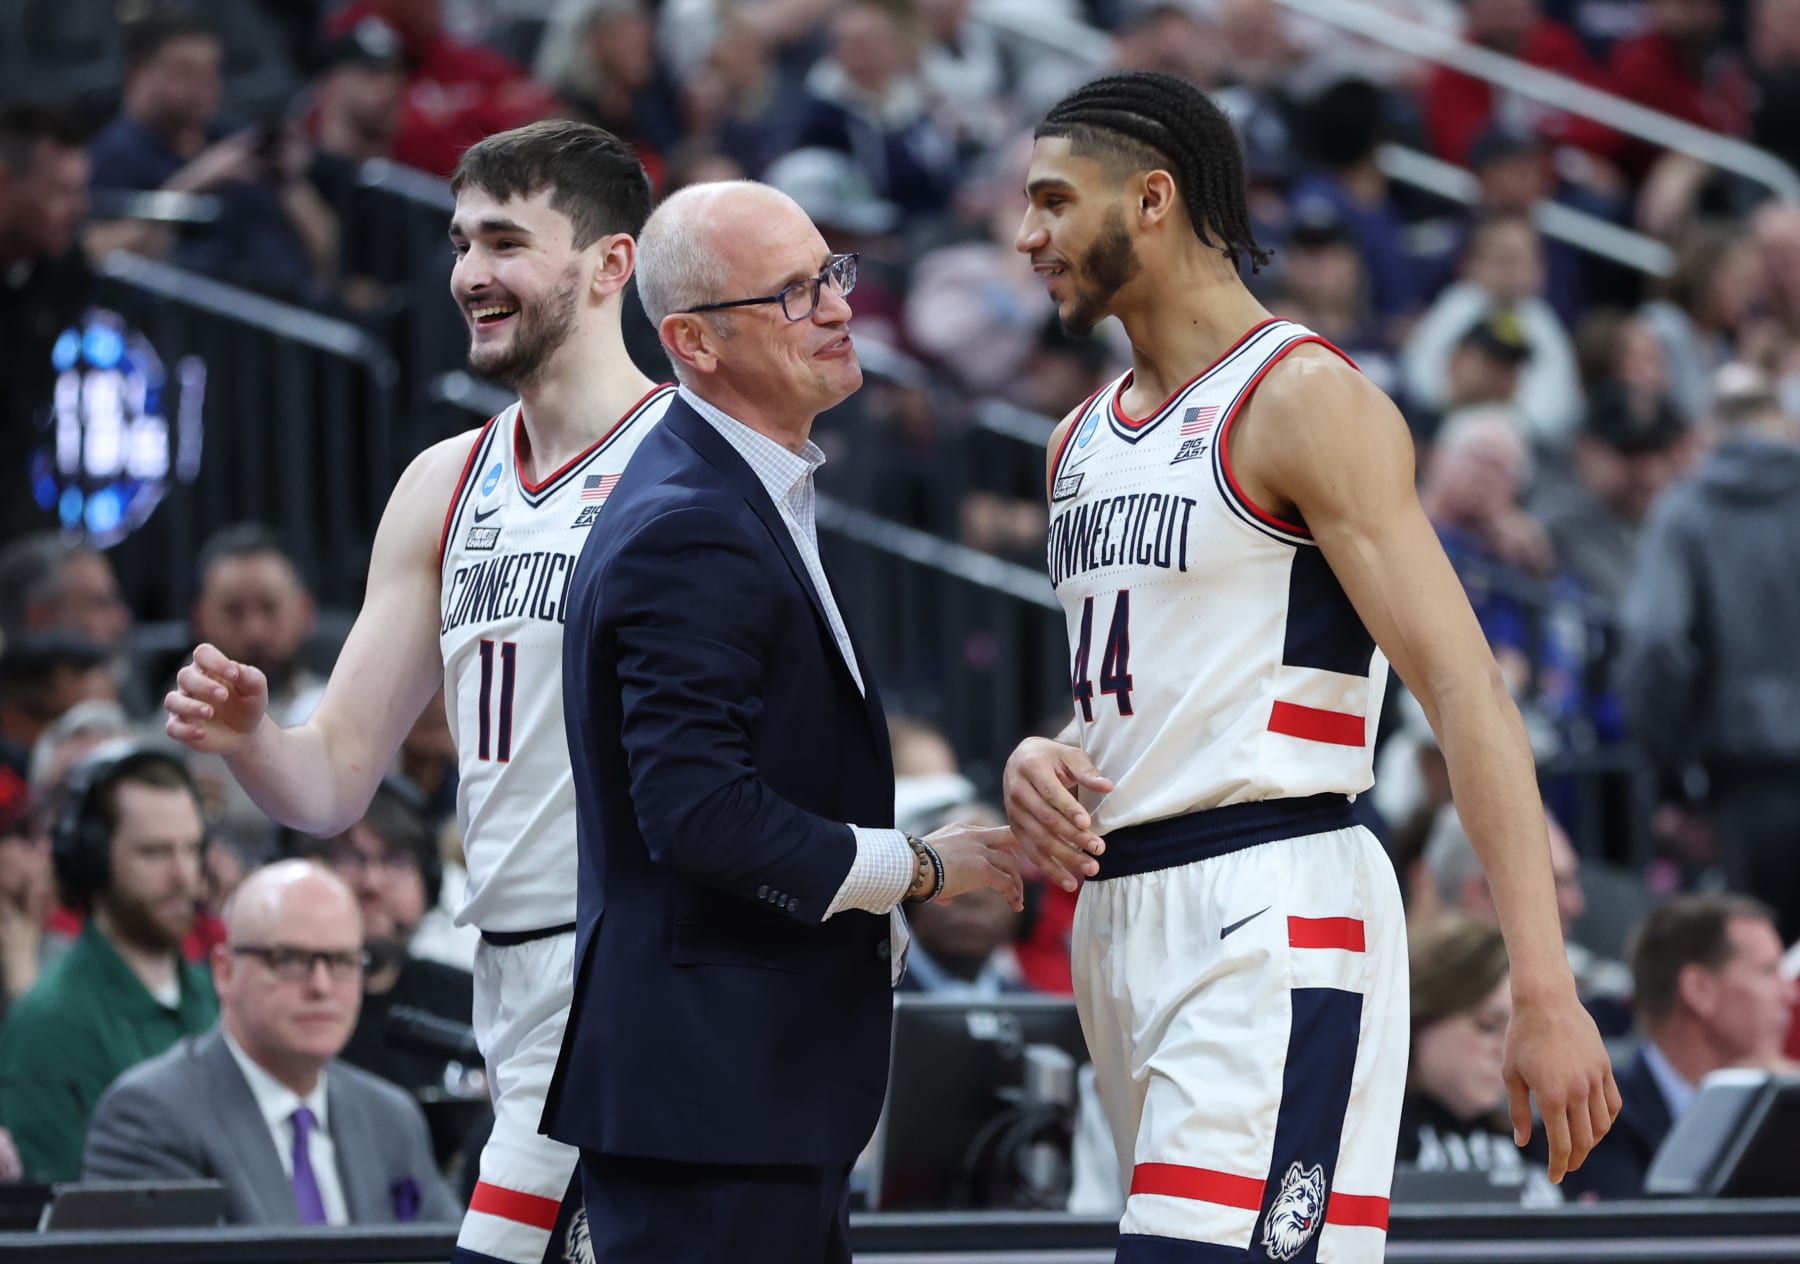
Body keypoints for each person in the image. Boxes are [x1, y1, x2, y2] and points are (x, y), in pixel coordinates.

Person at [1002, 71, 1618, 1263]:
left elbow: (1465, 691)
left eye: (1051, 200)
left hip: (1269, 900)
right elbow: (1152, 690)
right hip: (1121, 914)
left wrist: (1542, 982)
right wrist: (1047, 751)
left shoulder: (1304, 398)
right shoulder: (1074, 440)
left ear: (1153, 200)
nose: (1027, 235)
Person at [163, 120, 672, 1264]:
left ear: (609, 265)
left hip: (639, 963)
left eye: (505, 240)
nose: (469, 276)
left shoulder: (690, 461)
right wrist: (253, 738)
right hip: (509, 966)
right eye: (459, 243)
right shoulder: (444, 482)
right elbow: (334, 778)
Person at [545, 179, 1023, 1263]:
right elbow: (699, 812)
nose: (840, 308)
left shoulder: (735, 490)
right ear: (692, 343)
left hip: (747, 1093)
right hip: (712, 1097)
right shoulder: (692, 524)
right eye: (794, 293)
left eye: (834, 275)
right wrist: (915, 871)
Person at [83, 860, 459, 1226]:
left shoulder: (390, 1117)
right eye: (289, 959)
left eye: (343, 961)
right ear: (224, 971)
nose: (322, 986)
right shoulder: (151, 1117)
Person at [0, 741, 217, 1181]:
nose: (184, 877)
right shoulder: (50, 1021)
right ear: (93, 859)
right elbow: (62, 1224)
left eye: (192, 850)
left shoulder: (223, 995)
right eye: (155, 853)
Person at [1563, 895, 1795, 1200]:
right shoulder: (1600, 1116)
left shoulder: (1777, 1111)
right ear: (1698, 990)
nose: (1789, 995)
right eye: (1767, 972)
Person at [1398, 915, 1558, 1203]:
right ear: (1420, 1017)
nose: (1508, 1050)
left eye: (1517, 1032)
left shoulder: (1530, 1142)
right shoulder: (1375, 1141)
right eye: (1488, 1025)